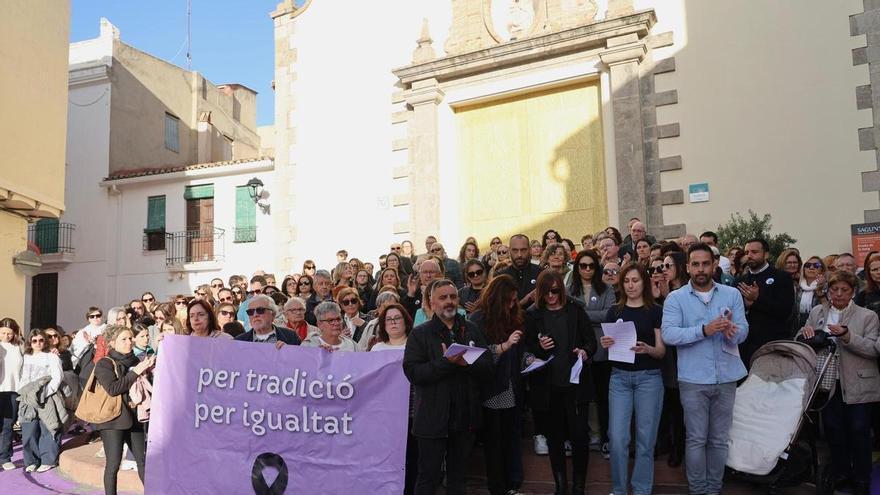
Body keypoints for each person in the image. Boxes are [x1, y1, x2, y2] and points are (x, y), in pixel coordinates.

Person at [661, 243, 749, 495]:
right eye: (695, 264)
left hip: (726, 376)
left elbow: (744, 329)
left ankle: (714, 489)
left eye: (705, 263)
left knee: (719, 439)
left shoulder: (731, 295)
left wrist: (734, 332)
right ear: (687, 267)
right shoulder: (675, 299)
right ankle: (698, 490)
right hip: (693, 379)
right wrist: (703, 330)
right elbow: (669, 334)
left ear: (714, 265)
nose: (701, 269)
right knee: (697, 438)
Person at [403, 279, 493, 494]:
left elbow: (488, 367)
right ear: (432, 303)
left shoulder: (471, 329)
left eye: (452, 297)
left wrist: (465, 364)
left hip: (465, 418)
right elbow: (413, 373)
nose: (449, 302)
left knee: (459, 479)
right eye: (443, 298)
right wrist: (446, 363)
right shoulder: (420, 334)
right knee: (428, 478)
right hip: (432, 420)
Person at [797, 270, 879, 495]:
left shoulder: (867, 316)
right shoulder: (817, 311)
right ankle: (841, 475)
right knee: (833, 430)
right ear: (828, 291)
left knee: (859, 430)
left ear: (853, 292)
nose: (839, 294)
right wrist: (806, 333)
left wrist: (847, 337)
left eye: (844, 290)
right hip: (827, 382)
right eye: (834, 289)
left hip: (858, 383)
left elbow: (874, 348)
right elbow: (801, 339)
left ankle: (862, 478)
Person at [525, 269, 596, 495]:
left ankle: (578, 486)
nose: (551, 296)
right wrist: (538, 349)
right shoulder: (533, 314)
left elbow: (591, 342)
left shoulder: (575, 310)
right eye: (546, 292)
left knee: (578, 437)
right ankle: (560, 485)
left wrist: (584, 352)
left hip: (575, 384)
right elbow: (526, 349)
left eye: (555, 291)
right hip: (548, 386)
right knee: (554, 438)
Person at [600, 263, 665, 495]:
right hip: (619, 379)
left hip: (649, 378)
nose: (630, 285)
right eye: (626, 281)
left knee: (646, 440)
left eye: (635, 280)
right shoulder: (614, 312)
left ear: (644, 282)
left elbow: (661, 352)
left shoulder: (655, 311)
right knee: (617, 439)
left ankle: (641, 490)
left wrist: (647, 349)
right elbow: (610, 349)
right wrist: (605, 344)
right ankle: (619, 490)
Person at [469, 275, 525, 495]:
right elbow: (478, 357)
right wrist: (504, 346)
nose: (512, 305)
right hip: (492, 389)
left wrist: (530, 359)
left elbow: (521, 351)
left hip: (513, 385)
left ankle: (513, 483)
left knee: (512, 438)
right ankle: (498, 487)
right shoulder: (478, 320)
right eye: (509, 301)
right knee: (495, 441)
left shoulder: (514, 318)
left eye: (514, 300)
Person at [93, 325, 156, 495]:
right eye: (124, 339)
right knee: (113, 464)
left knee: (142, 461)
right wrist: (136, 372)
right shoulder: (104, 363)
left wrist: (147, 370)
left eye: (130, 338)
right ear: (112, 343)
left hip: (134, 417)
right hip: (113, 420)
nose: (129, 342)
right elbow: (113, 388)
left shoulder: (135, 361)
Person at [567, 249, 616, 458]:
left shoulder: (606, 288)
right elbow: (566, 315)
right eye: (583, 266)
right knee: (579, 398)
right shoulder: (569, 288)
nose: (587, 269)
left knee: (603, 397)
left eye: (591, 266)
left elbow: (610, 314)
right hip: (577, 351)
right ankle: (581, 437)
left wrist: (581, 313)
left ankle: (605, 439)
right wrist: (589, 316)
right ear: (577, 268)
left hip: (601, 350)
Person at [736, 238, 795, 366]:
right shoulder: (740, 281)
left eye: (754, 252)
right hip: (747, 348)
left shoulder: (781, 277)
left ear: (766, 254)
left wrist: (757, 299)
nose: (749, 256)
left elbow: (785, 311)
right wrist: (746, 305)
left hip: (773, 345)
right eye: (747, 253)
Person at [18, 329, 64, 473]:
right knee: (29, 430)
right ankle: (31, 460)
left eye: (41, 340)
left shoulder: (51, 357)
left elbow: (57, 377)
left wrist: (46, 393)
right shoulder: (24, 356)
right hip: (27, 397)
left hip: (46, 397)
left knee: (48, 428)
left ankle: (48, 460)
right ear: (29, 342)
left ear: (45, 341)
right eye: (34, 340)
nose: (37, 343)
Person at [235, 295, 301, 346]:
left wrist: (290, 352)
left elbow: (300, 361)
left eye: (260, 310)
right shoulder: (239, 341)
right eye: (250, 312)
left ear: (273, 314)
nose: (255, 315)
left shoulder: (291, 336)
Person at [0, 320, 22, 471]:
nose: (6, 336)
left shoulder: (19, 347)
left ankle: (5, 457)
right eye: (2, 332)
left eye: (9, 333)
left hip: (14, 390)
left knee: (8, 425)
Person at [502, 234, 544, 309]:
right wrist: (525, 300)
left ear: (530, 250)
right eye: (515, 250)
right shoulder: (501, 277)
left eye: (523, 250)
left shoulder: (542, 273)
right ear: (509, 251)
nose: (519, 255)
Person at [794, 256, 827, 331]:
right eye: (808, 265)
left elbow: (828, 309)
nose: (811, 267)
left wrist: (820, 292)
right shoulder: (797, 287)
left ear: (822, 270)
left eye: (816, 265)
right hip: (798, 327)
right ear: (803, 269)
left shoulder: (828, 287)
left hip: (819, 327)